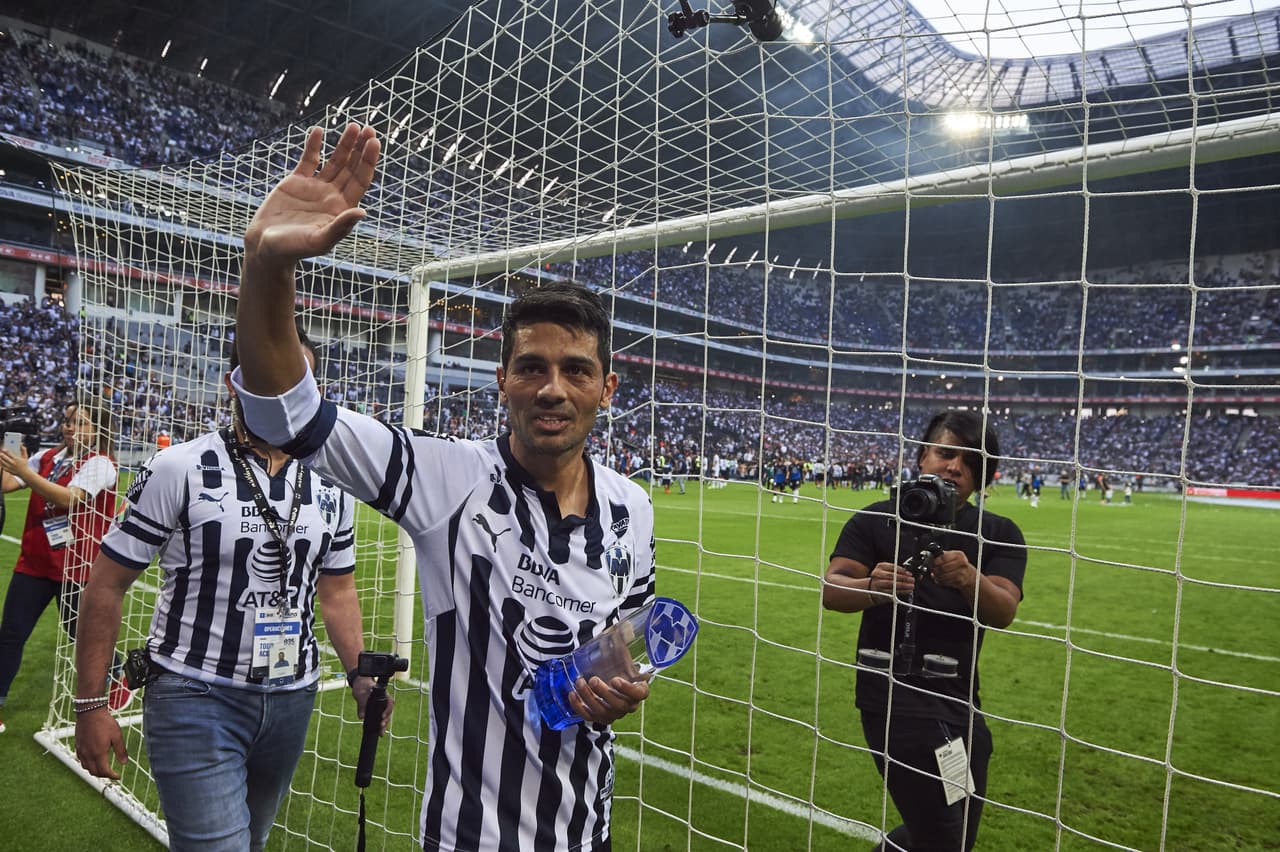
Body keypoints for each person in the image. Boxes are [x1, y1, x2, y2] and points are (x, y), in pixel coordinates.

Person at [232, 122, 656, 852]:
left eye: (576, 370)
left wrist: (616, 688)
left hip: (589, 833)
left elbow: (626, 643)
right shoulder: (446, 477)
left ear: (607, 388)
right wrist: (267, 268)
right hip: (469, 837)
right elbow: (286, 413)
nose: (552, 389)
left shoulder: (635, 509)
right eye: (531, 367)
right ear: (502, 383)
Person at [73, 334, 390, 852]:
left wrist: (358, 675)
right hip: (195, 693)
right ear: (234, 385)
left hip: (292, 696)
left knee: (253, 840)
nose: (282, 396)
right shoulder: (178, 466)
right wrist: (90, 704)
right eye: (267, 381)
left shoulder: (332, 484)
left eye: (297, 383)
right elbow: (107, 585)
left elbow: (338, 592)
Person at [821, 411, 1027, 851]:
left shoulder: (999, 533)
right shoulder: (876, 519)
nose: (956, 467)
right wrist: (872, 589)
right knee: (942, 839)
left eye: (971, 461)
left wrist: (970, 578)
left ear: (985, 475)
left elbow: (1005, 609)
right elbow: (832, 589)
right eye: (946, 453)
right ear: (922, 457)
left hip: (960, 701)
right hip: (892, 699)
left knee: (955, 833)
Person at [0, 400, 119, 734]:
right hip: (34, 562)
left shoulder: (101, 464)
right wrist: (8, 450)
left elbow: (70, 498)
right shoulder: (48, 457)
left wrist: (24, 471)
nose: (69, 427)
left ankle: (119, 670)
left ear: (98, 429)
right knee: (11, 633)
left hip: (76, 567)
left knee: (81, 636)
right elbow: (7, 485)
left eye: (80, 422)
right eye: (68, 421)